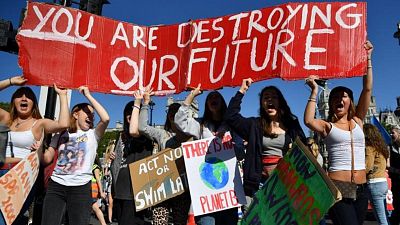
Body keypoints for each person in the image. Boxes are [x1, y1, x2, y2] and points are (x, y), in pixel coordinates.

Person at [304, 41, 373, 225]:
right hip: (338, 186)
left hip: (361, 187)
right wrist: (314, 91)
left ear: (350, 101)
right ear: (331, 104)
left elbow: (367, 88)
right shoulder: (328, 126)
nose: (339, 99)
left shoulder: (358, 120)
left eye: (343, 96)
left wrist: (368, 58)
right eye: (334, 97)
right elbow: (309, 121)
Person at [0, 76, 70, 225]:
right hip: (1, 174)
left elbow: (64, 123)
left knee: (6, 220)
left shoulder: (39, 123)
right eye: (20, 95)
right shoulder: (6, 119)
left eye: (29, 96)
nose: (24, 98)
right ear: (13, 101)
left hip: (22, 178)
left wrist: (62, 96)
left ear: (34, 103)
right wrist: (11, 81)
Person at [174, 85, 244, 225]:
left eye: (216, 96)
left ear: (222, 102)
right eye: (209, 98)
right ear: (206, 105)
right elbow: (179, 121)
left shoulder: (232, 125)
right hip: (205, 195)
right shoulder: (200, 125)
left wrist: (231, 147)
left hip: (227, 193)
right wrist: (192, 95)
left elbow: (241, 152)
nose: (213, 98)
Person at [225, 79, 306, 199]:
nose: (269, 99)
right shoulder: (254, 125)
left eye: (274, 97)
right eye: (266, 97)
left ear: (280, 102)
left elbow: (304, 150)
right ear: (262, 104)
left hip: (286, 183)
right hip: (260, 184)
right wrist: (242, 90)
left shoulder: (292, 125)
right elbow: (230, 116)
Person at [41, 86, 110, 225]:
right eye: (87, 112)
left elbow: (106, 118)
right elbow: (47, 158)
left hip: (81, 187)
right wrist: (37, 149)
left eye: (93, 114)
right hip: (56, 185)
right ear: (75, 114)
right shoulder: (61, 133)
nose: (91, 116)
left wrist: (88, 96)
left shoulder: (93, 134)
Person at [133, 88, 191, 225]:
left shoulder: (191, 135)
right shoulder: (161, 134)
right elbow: (142, 127)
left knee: (180, 222)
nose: (173, 116)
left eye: (177, 113)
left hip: (182, 187)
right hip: (162, 187)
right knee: (159, 222)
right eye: (171, 113)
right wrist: (145, 103)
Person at [113, 100, 153, 225]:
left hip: (135, 192)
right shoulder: (121, 136)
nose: (130, 114)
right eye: (128, 112)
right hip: (119, 191)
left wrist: (138, 102)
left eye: (135, 111)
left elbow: (134, 130)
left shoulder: (145, 135)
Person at [363, 124, 390, 225]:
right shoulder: (381, 147)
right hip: (383, 182)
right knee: (385, 216)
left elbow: (367, 166)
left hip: (374, 184)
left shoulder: (370, 148)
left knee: (381, 219)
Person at [92, 157, 107, 225]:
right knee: (95, 207)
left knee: (95, 207)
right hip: (92, 190)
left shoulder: (95, 167)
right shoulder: (95, 167)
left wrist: (101, 192)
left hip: (92, 190)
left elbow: (98, 180)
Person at [389, 126, 400, 225]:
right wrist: (395, 170)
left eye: (393, 133)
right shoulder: (390, 147)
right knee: (397, 202)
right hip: (396, 181)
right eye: (390, 133)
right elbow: (388, 166)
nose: (391, 135)